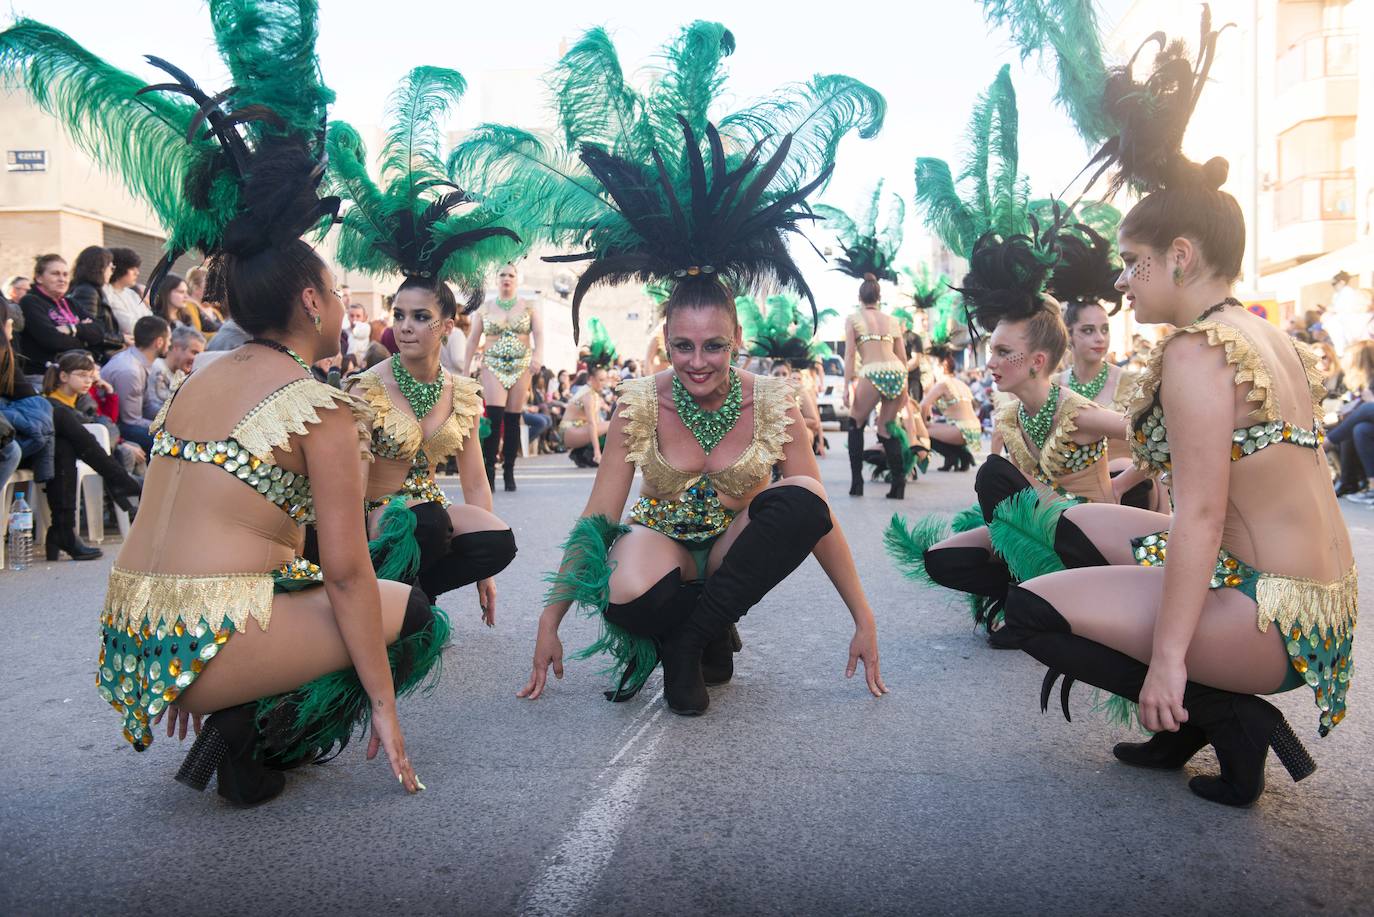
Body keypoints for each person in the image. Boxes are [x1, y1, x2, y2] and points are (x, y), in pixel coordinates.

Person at [456, 21, 889, 712]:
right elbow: (598, 517)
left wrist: (862, 616)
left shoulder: (773, 401)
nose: (698, 362)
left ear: (736, 337)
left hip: (733, 558)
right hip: (666, 556)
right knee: (621, 585)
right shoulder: (638, 402)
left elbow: (821, 522)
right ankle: (695, 630)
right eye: (683, 346)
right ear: (665, 339)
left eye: (713, 345)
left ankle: (692, 637)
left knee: (803, 498)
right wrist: (548, 621)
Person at [988, 15, 1347, 807]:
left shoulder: (1194, 352)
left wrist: (1169, 660)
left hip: (1267, 615)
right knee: (1074, 525)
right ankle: (1195, 717)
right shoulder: (1262, 334)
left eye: (1132, 262)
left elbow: (1202, 516)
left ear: (1179, 255)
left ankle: (1221, 713)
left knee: (1030, 609)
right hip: (1315, 604)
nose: (1122, 281)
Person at [324, 67, 520, 608]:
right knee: (425, 522)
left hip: (429, 516)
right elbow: (350, 488)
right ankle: (387, 602)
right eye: (399, 314)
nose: (405, 326)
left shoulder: (462, 393)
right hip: (375, 520)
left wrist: (484, 575)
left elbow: (474, 481)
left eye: (420, 317)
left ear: (446, 326)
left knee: (496, 540)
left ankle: (416, 598)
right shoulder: (366, 387)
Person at [38, 349, 145, 559]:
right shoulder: (51, 403)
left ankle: (62, 531)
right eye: (82, 375)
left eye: (90, 376)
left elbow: (108, 422)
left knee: (65, 447)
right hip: (45, 446)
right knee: (68, 432)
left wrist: (110, 394)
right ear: (63, 376)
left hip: (77, 450)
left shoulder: (83, 401)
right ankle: (120, 480)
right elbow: (101, 426)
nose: (88, 381)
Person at [465, 263, 543, 492]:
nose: (506, 278)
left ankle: (509, 470)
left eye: (511, 275)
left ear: (517, 279)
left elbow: (539, 334)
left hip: (521, 365)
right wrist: (465, 370)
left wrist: (538, 356)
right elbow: (473, 339)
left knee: (513, 419)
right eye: (502, 275)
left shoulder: (529, 306)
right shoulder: (485, 308)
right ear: (496, 279)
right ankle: (489, 472)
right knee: (494, 416)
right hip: (492, 364)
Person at [842, 273, 911, 499]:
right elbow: (903, 357)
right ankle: (898, 484)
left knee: (855, 423)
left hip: (872, 371)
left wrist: (847, 385)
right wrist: (905, 386)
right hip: (896, 371)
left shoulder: (853, 319)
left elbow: (850, 354)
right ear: (878, 297)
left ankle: (857, 483)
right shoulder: (892, 321)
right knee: (886, 428)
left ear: (859, 297)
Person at [15, 254, 107, 375]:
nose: (62, 279)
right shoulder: (30, 301)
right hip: (45, 375)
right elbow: (51, 340)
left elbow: (99, 331)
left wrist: (72, 329)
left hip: (77, 374)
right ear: (39, 278)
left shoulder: (71, 303)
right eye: (55, 274)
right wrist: (85, 340)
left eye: (65, 274)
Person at [101, 315, 170, 451]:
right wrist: (168, 427)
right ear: (159, 342)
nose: (170, 344)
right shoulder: (130, 370)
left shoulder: (138, 361)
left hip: (125, 422)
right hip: (113, 426)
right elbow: (130, 421)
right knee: (169, 440)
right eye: (169, 340)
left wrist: (173, 417)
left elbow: (146, 406)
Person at [920, 345, 981, 471]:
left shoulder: (943, 383)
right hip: (974, 428)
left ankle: (954, 456)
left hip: (961, 430)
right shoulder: (961, 383)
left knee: (921, 431)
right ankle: (962, 456)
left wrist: (921, 424)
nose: (933, 370)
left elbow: (924, 405)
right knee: (930, 426)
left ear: (942, 366)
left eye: (934, 366)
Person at [65, 245, 128, 360]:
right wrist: (121, 339)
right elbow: (90, 331)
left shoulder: (93, 290)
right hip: (96, 357)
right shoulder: (87, 291)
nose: (111, 272)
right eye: (111, 268)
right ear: (100, 268)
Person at [150, 325, 205, 407]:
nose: (197, 359)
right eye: (194, 353)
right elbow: (154, 409)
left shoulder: (180, 374)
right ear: (176, 347)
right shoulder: (156, 368)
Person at [103, 247, 149, 337]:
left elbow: (150, 318)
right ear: (119, 269)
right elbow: (129, 326)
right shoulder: (107, 293)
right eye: (132, 269)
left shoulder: (132, 294)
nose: (137, 273)